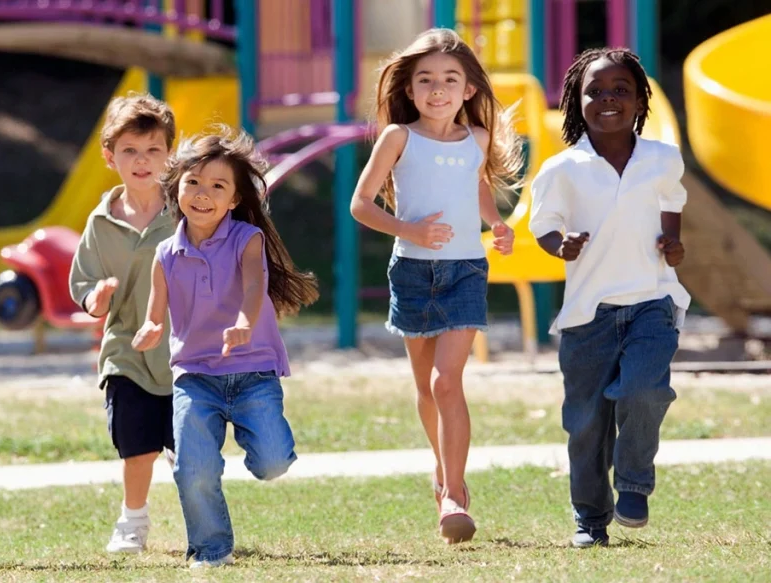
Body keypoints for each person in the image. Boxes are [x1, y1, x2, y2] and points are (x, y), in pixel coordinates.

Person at [349, 28, 524, 544]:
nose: (437, 89)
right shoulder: (397, 138)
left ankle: (453, 492)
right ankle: (443, 469)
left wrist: (496, 223)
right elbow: (360, 205)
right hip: (412, 273)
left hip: (466, 270)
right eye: (425, 79)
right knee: (426, 388)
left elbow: (478, 185)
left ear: (468, 89)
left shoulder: (478, 139)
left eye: (450, 79)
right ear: (410, 89)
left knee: (448, 382)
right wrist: (410, 230)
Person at [132, 125, 319, 568]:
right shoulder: (165, 253)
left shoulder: (246, 238)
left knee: (272, 463)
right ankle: (211, 549)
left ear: (234, 199)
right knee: (194, 470)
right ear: (176, 188)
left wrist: (244, 322)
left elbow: (254, 285)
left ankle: (248, 448)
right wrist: (150, 328)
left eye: (218, 186)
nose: (203, 194)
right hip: (195, 375)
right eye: (193, 182)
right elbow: (155, 311)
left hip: (253, 370)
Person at [528, 47, 689, 548]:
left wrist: (672, 243)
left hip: (652, 300)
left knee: (644, 391)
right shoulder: (562, 168)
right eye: (594, 91)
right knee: (587, 424)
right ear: (576, 103)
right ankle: (590, 519)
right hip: (587, 314)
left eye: (621, 90)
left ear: (640, 100)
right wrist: (562, 246)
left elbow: (672, 204)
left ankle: (634, 485)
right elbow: (543, 225)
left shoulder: (662, 158)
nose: (608, 99)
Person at [68, 93, 178, 554]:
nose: (142, 160)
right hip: (126, 351)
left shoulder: (187, 210)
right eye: (130, 150)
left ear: (170, 154)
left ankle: (204, 519)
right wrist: (97, 298)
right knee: (137, 446)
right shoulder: (100, 223)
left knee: (190, 449)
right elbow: (84, 286)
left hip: (184, 350)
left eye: (153, 149)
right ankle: (132, 522)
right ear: (109, 156)